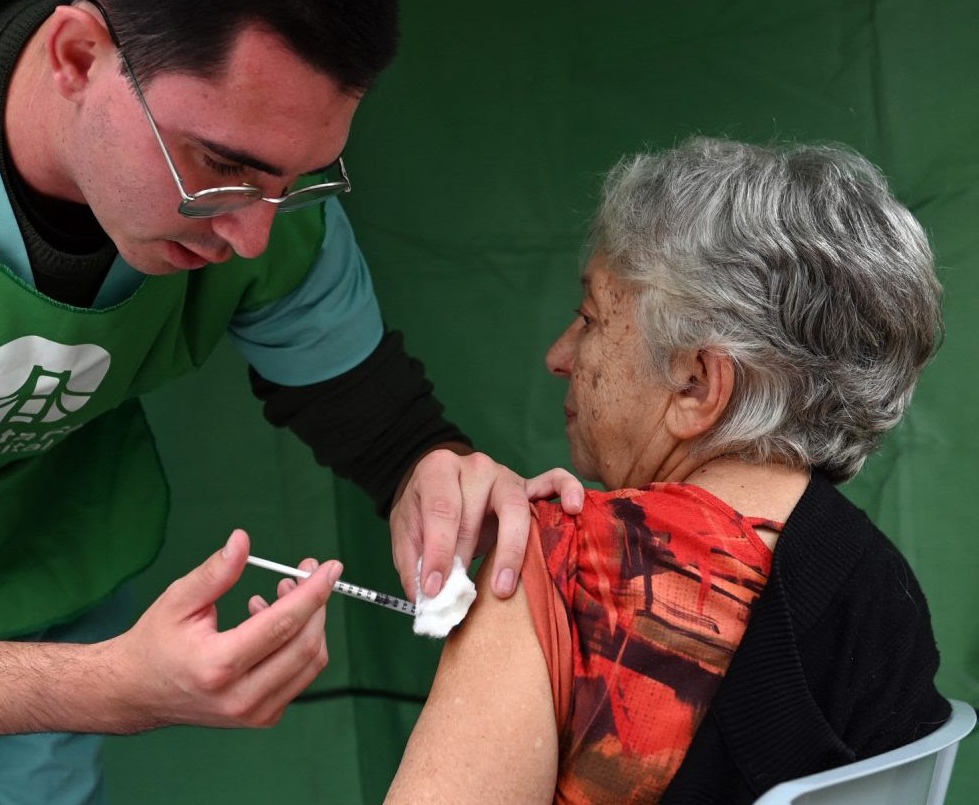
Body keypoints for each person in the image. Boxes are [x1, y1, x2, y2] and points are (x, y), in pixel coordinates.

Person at [0, 0, 581, 801]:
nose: (253, 238)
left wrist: (434, 471)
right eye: (220, 168)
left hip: (44, 577)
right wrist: (112, 687)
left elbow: (383, 424)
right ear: (79, 54)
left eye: (298, 181)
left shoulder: (265, 181)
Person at [384, 137, 951, 804]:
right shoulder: (886, 593)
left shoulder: (568, 568)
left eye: (590, 317)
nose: (559, 354)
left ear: (696, 383)